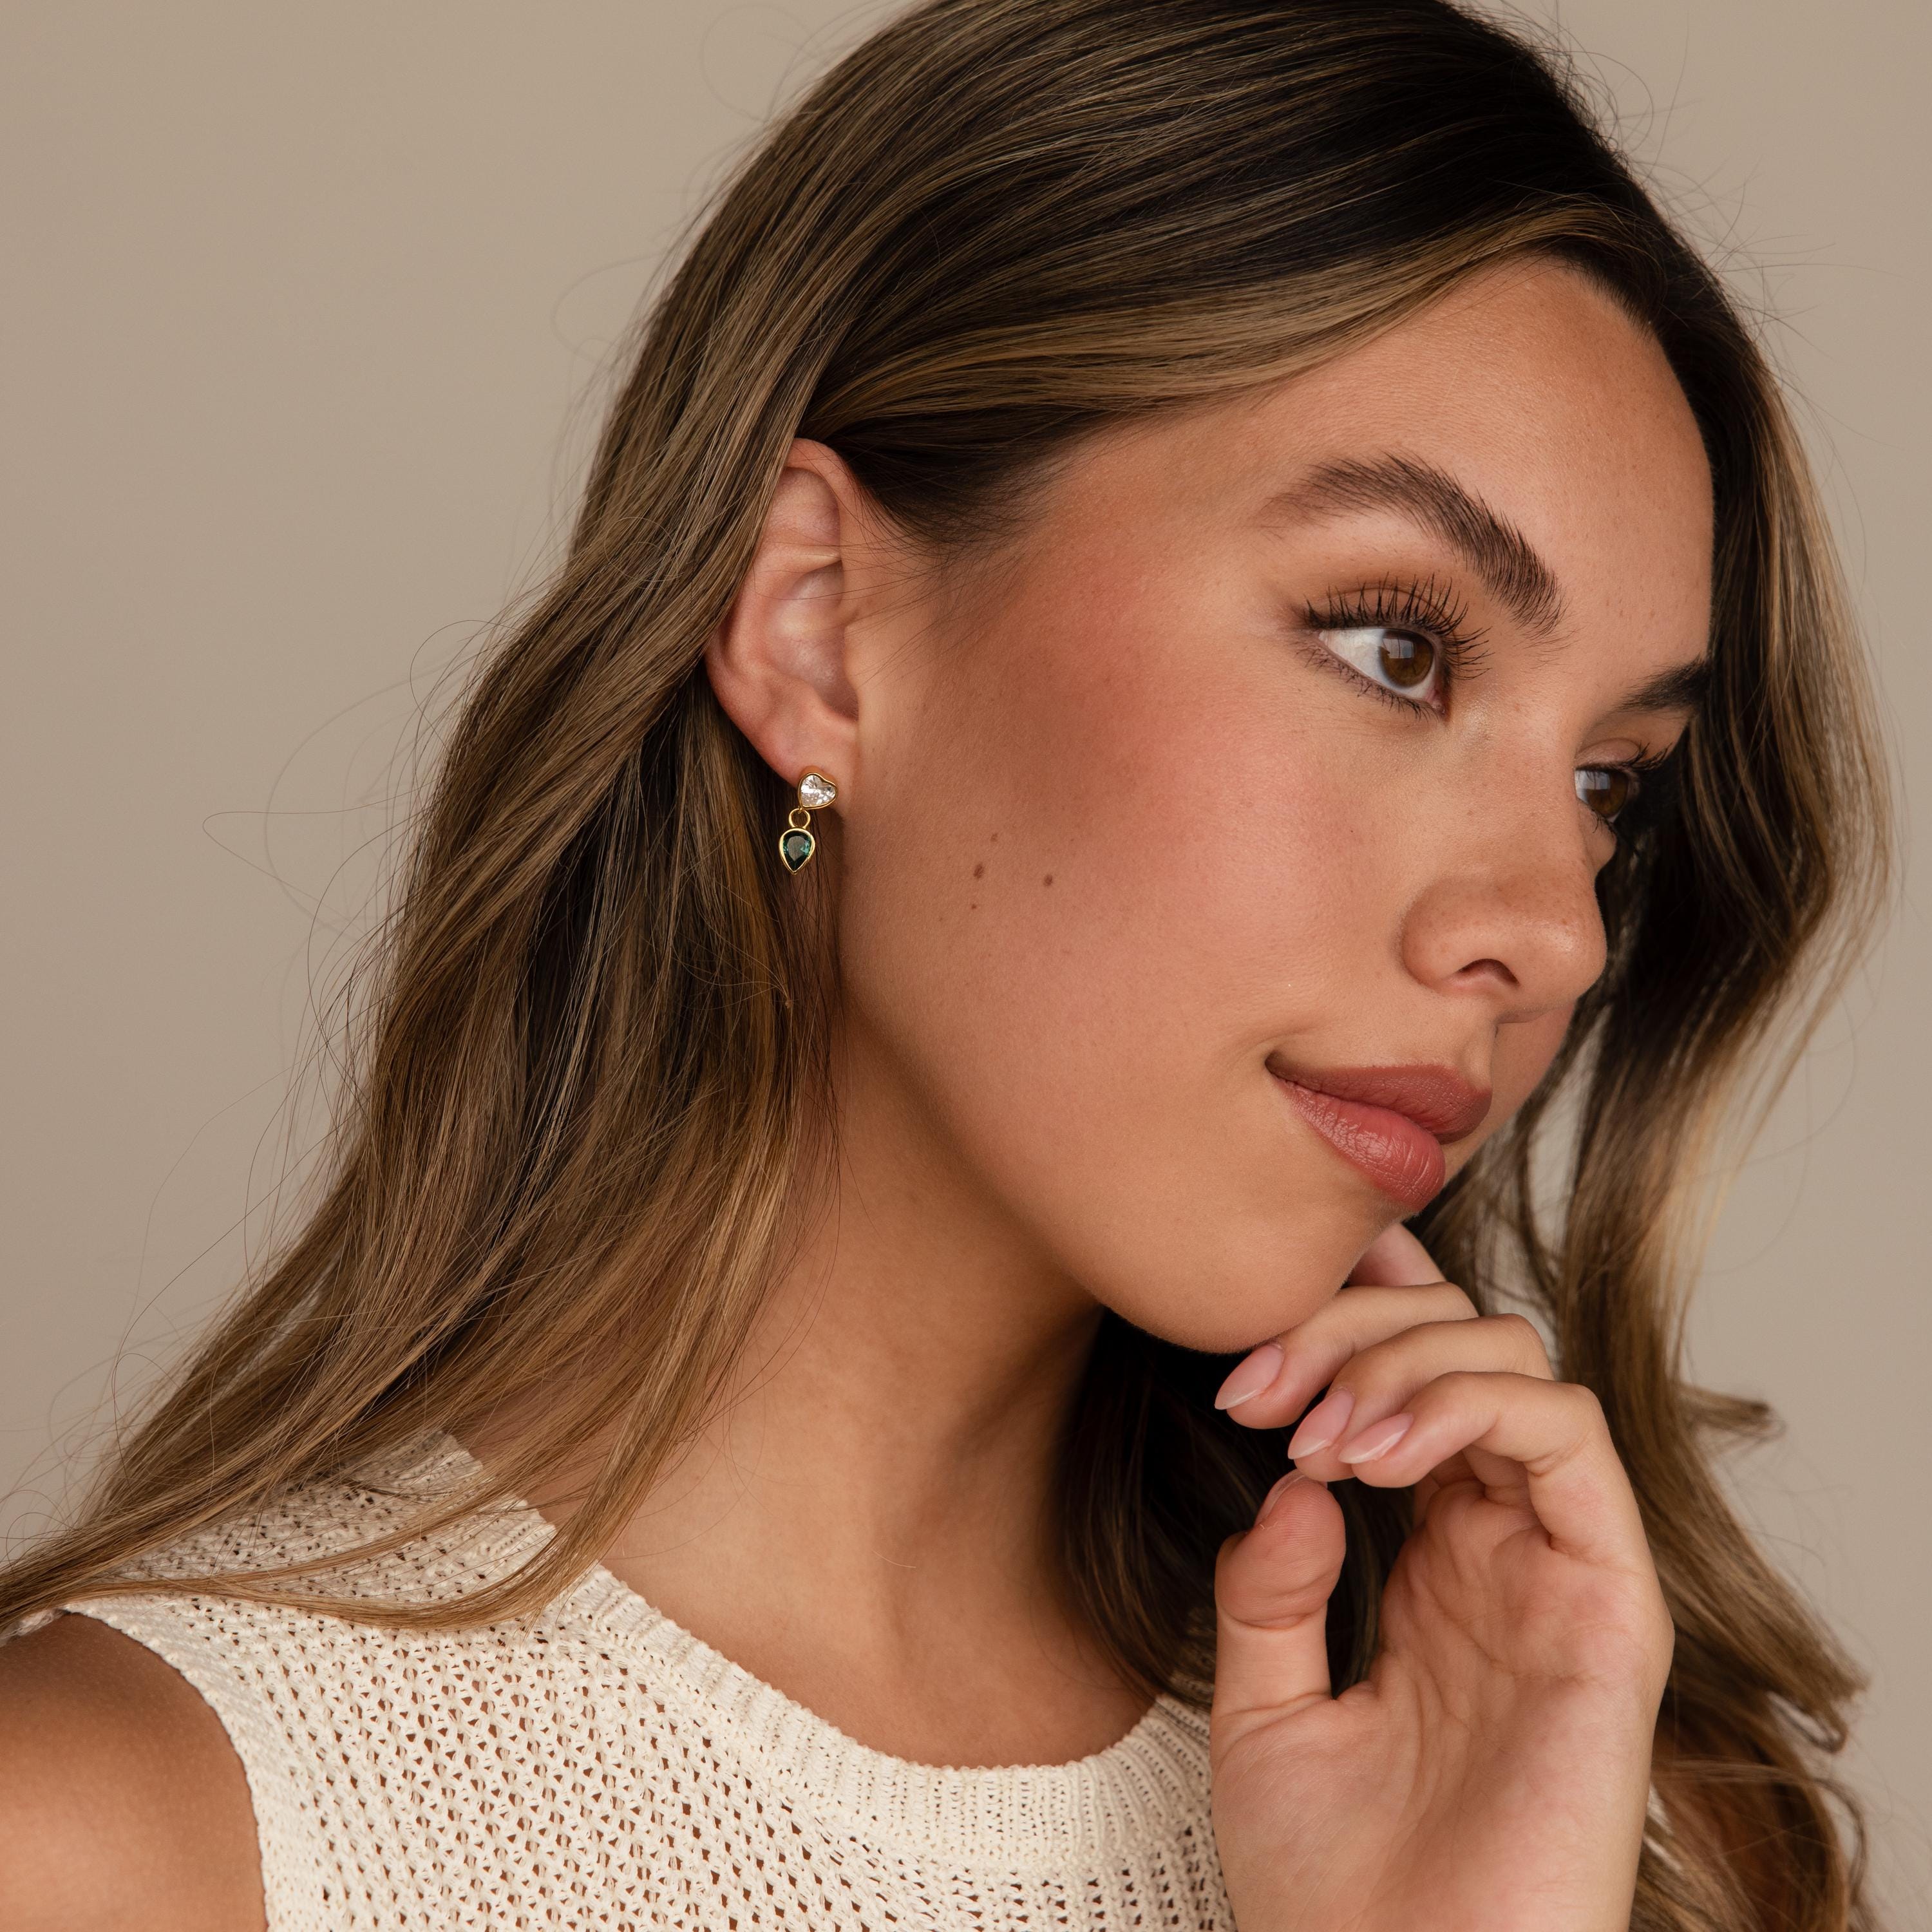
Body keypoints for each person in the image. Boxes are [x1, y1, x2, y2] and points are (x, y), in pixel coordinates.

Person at [0, 1, 1895, 1926]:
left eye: (1613, 784)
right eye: (1398, 647)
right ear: (821, 629)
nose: (1557, 926)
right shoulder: (118, 1846)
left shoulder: (1620, 1832)